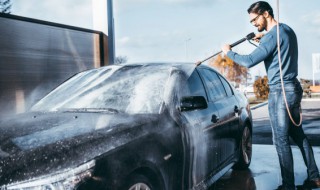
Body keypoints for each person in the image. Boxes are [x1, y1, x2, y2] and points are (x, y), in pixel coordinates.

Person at [220, 1, 320, 190]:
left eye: (255, 19)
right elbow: (277, 46)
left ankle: (288, 186)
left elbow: (249, 61)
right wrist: (263, 39)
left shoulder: (271, 37)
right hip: (293, 88)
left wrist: (229, 52)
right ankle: (315, 177)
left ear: (266, 13)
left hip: (280, 91)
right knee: (298, 135)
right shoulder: (286, 30)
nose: (254, 24)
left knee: (280, 140)